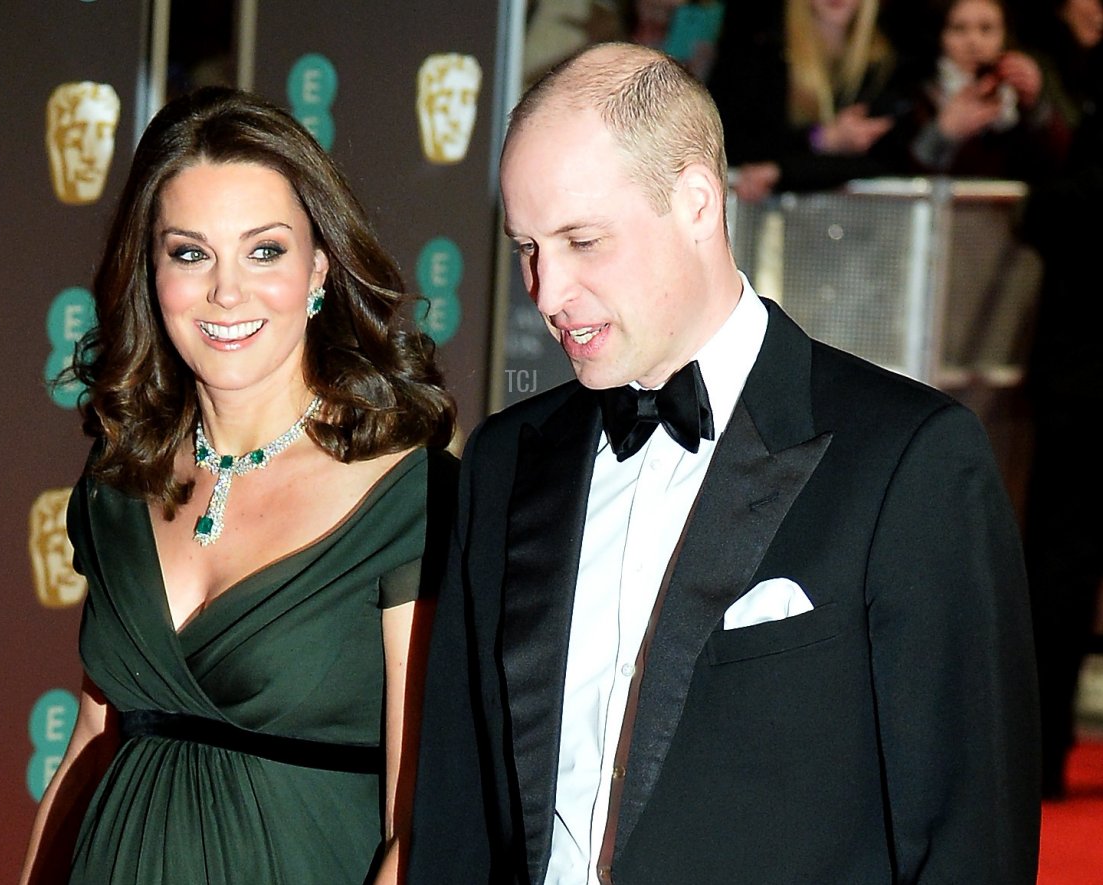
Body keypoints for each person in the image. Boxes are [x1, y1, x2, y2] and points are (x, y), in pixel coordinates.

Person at [410, 42, 1039, 884]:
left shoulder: (908, 460)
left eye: (582, 241)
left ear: (698, 202)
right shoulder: (502, 460)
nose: (546, 291)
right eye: (527, 246)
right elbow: (460, 806)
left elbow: (969, 835)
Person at [20, 87, 457, 884]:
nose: (227, 291)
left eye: (265, 251)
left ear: (320, 265)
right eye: (189, 252)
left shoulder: (408, 497)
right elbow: (89, 741)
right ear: (151, 271)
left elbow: (415, 823)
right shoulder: (119, 479)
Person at [1017, 0, 1103, 799]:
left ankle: (1039, 752)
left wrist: (1038, 193)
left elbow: (1079, 204)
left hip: (1094, 370)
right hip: (1090, 369)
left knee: (1061, 562)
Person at [708, 0, 901, 202]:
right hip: (768, 216)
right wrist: (822, 139)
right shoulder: (760, 50)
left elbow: (889, 162)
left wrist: (784, 169)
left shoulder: (888, 65)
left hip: (861, 221)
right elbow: (733, 144)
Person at [900, 0, 1054, 178]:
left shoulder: (1018, 93)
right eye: (959, 29)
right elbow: (902, 180)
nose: (974, 42)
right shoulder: (917, 96)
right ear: (940, 35)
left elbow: (1055, 167)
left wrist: (1035, 106)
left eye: (986, 29)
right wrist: (942, 132)